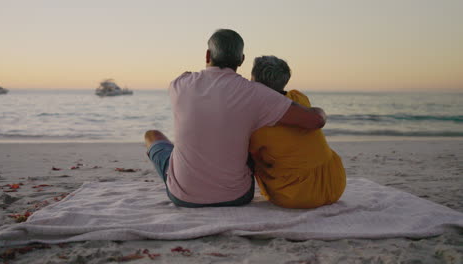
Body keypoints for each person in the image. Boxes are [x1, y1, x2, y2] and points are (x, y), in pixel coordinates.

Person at [144, 29, 326, 207]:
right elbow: (315, 121)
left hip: (183, 196)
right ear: (241, 60)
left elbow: (189, 77)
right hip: (236, 195)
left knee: (152, 135)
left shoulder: (179, 84)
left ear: (208, 55)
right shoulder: (256, 94)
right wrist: (319, 110)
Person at [249, 55, 346, 209]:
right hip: (335, 184)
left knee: (251, 155)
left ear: (254, 80)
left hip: (296, 195)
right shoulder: (298, 97)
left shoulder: (258, 119)